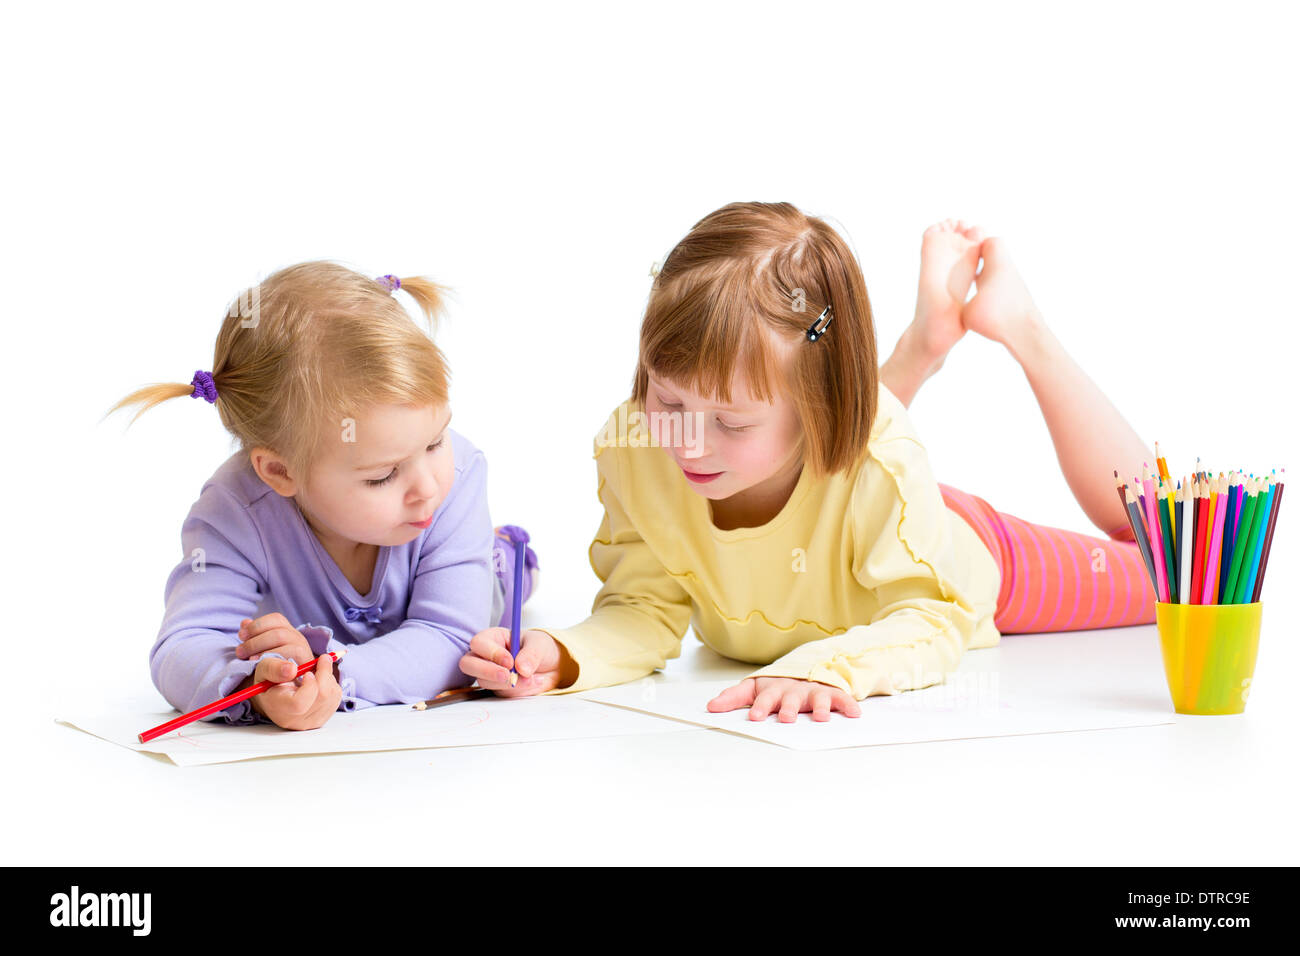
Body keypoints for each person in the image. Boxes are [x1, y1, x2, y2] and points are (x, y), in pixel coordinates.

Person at [459, 202, 1154, 723]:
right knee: (837, 450)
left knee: (1170, 564)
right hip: (848, 484)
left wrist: (831, 668)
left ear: (818, 408)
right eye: (666, 400)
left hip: (950, 544)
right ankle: (921, 346)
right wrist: (566, 653)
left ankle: (1021, 328)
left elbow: (930, 616)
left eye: (730, 421)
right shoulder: (635, 447)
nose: (687, 444)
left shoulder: (881, 459)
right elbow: (644, 606)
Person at [109, 263, 537, 730]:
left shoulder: (458, 477)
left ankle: (506, 556)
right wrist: (258, 684)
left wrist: (328, 671)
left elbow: (448, 636)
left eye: (435, 441)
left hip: (482, 590)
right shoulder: (232, 514)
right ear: (279, 471)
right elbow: (183, 644)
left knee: (502, 582)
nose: (428, 488)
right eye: (383, 475)